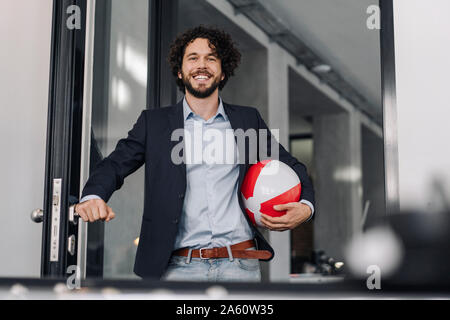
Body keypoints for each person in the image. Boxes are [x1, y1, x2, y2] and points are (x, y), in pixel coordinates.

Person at [75, 25, 315, 282]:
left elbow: (289, 165)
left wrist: (306, 207)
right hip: (176, 269)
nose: (202, 65)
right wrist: (93, 195)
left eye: (211, 58)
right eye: (193, 58)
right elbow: (115, 164)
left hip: (240, 266)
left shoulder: (247, 120)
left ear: (223, 73)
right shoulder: (154, 124)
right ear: (180, 71)